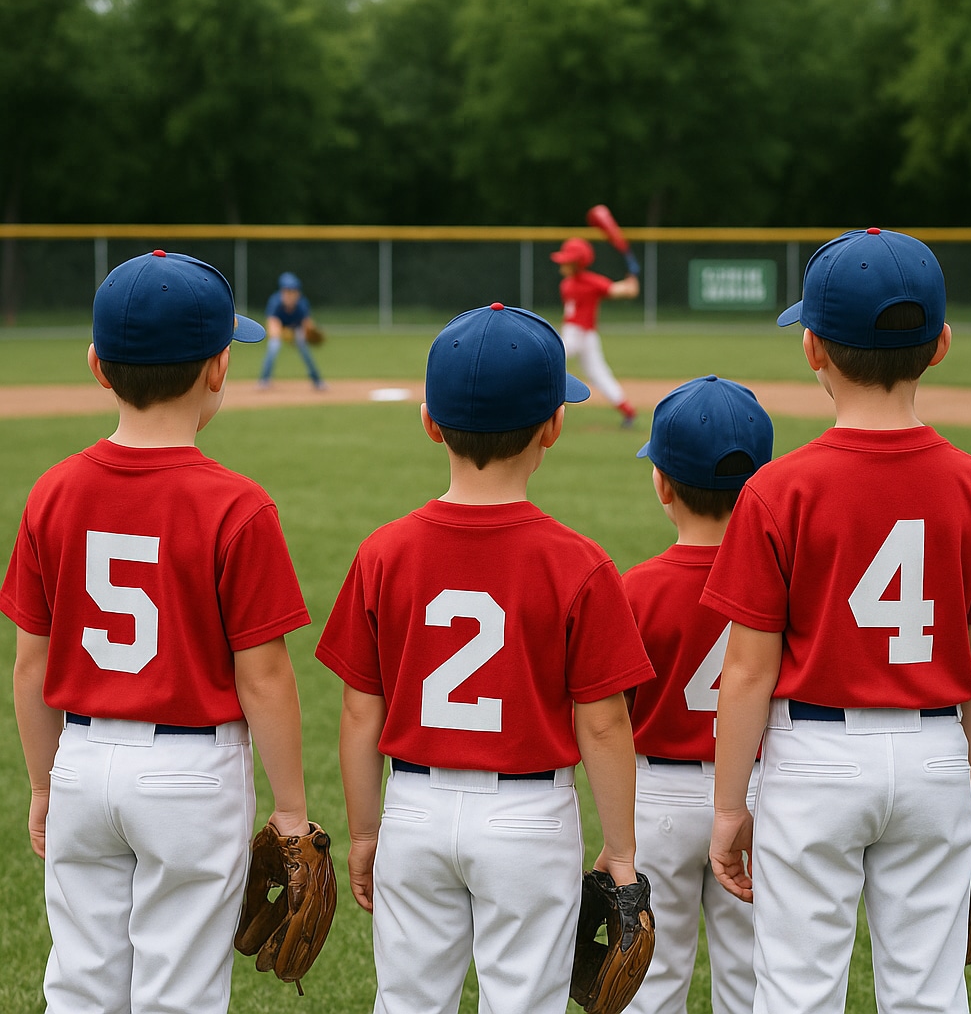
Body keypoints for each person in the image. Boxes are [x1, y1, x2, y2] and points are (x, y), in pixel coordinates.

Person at [703, 228, 971, 1014]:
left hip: (815, 758)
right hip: (935, 756)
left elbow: (746, 672)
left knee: (798, 991)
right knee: (928, 991)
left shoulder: (779, 490)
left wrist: (727, 806)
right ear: (941, 345)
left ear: (812, 348)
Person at [315, 301, 656, 1014]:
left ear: (430, 422)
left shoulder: (384, 551)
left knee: (407, 1002)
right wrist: (620, 851)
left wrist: (367, 831)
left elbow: (357, 710)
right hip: (528, 817)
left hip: (414, 807)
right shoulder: (580, 564)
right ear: (554, 427)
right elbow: (604, 725)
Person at [1, 250, 313, 1014]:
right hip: (188, 776)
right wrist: (293, 809)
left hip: (81, 758)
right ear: (218, 369)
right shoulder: (237, 505)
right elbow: (264, 676)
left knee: (79, 983)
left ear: (98, 366)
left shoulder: (54, 490)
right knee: (180, 990)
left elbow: (30, 664)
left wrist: (45, 782)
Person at [622, 375, 773, 1014]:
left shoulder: (635, 589)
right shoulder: (781, 583)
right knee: (754, 977)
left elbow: (610, 713)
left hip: (655, 797)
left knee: (651, 981)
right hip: (759, 789)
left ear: (662, 483)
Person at [551, 236, 639, 427]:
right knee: (598, 373)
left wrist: (629, 285)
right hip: (583, 334)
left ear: (576, 263)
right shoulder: (578, 282)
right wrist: (632, 280)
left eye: (567, 261)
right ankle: (627, 410)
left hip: (578, 334)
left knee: (551, 360)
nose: (562, 265)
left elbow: (623, 291)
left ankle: (544, 404)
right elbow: (626, 291)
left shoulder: (576, 283)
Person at [258, 271, 326, 389]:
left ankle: (317, 381)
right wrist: (283, 334)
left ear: (298, 293)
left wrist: (309, 332)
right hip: (280, 329)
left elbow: (307, 324)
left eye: (293, 291)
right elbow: (272, 325)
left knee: (304, 349)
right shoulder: (275, 302)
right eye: (287, 291)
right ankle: (264, 380)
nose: (290, 295)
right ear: (282, 292)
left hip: (296, 329)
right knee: (273, 347)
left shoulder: (302, 304)